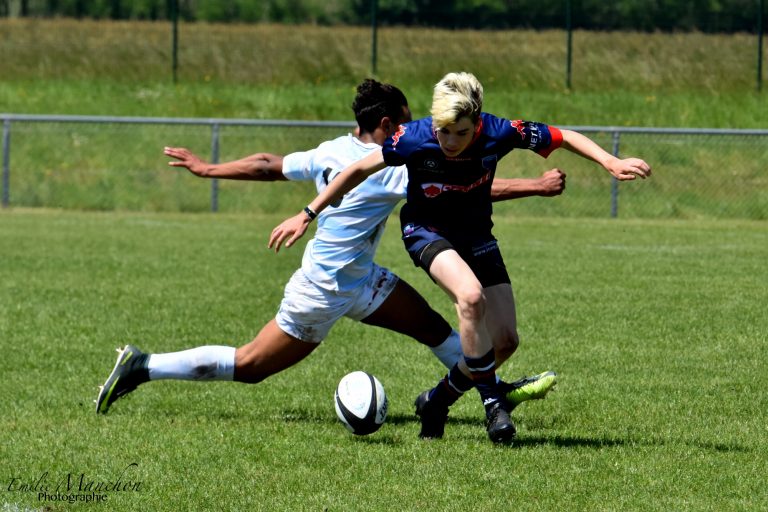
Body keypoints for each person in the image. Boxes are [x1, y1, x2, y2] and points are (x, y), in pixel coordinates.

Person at [95, 78, 564, 421]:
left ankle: (492, 395)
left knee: (436, 327)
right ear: (387, 124)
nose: (425, 131)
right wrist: (537, 186)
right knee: (251, 364)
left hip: (363, 279)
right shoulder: (392, 166)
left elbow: (266, 164)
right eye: (408, 122)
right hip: (322, 289)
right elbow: (466, 187)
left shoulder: (328, 150)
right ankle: (143, 366)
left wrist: (208, 169)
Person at [269, 72, 652, 443]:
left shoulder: (501, 131)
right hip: (425, 232)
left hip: (476, 236)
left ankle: (436, 402)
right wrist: (307, 214)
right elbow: (356, 169)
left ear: (478, 121)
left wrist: (610, 162)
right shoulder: (413, 137)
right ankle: (493, 406)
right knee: (470, 298)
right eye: (443, 131)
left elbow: (563, 135)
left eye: (461, 132)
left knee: (504, 341)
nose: (450, 141)